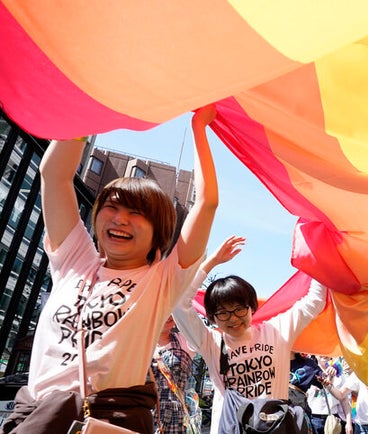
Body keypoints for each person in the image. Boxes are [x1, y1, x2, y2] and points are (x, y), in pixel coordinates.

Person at [0, 106, 219, 434]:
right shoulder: (75, 260)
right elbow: (54, 175)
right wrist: (94, 103)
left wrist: (199, 128)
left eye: (136, 213)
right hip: (37, 416)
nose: (120, 218)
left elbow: (207, 203)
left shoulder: (161, 281)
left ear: (159, 231)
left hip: (107, 421)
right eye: (111, 207)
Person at [172, 235, 328, 434]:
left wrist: (319, 254)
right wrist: (212, 261)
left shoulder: (276, 331)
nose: (233, 318)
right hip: (232, 428)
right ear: (212, 317)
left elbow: (315, 300)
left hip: (275, 427)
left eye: (239, 309)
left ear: (251, 308)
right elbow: (179, 304)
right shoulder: (211, 342)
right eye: (223, 312)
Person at [152, 317, 202, 434]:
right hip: (148, 414)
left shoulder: (184, 340)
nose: (168, 315)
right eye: (163, 310)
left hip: (178, 419)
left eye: (171, 309)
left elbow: (214, 335)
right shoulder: (139, 344)